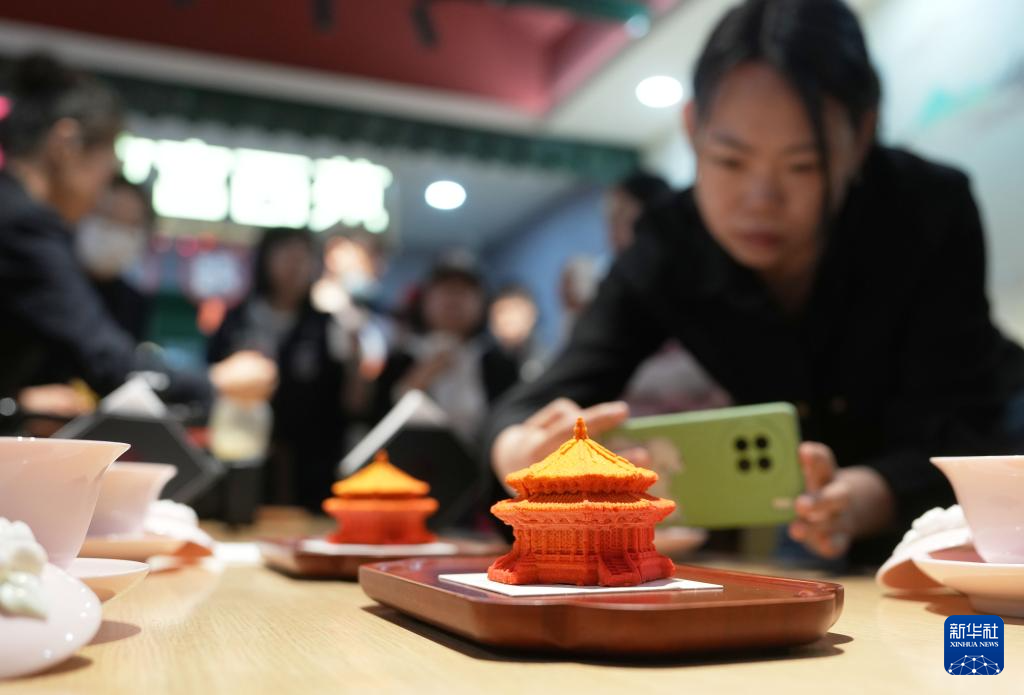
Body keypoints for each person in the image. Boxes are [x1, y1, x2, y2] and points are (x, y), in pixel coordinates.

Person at [486, 0, 1024, 565]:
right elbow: (558, 388)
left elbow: (958, 410)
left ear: (861, 136)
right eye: (730, 161)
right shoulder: (670, 245)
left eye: (803, 166)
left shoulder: (927, 207)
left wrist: (867, 494)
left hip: (983, 450)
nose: (760, 201)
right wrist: (520, 450)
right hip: (817, 492)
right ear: (692, 129)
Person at [0, 53, 275, 423]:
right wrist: (216, 381)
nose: (101, 189)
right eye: (107, 165)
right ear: (66, 144)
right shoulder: (24, 224)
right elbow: (109, 364)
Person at [207, 227, 351, 510]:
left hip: (306, 462)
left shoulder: (326, 325)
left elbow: (341, 402)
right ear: (265, 260)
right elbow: (211, 378)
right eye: (286, 256)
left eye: (303, 258)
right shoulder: (237, 318)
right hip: (240, 449)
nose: (294, 267)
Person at [373, 254, 519, 449]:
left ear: (483, 303)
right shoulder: (399, 358)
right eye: (445, 289)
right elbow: (375, 420)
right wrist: (419, 377)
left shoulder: (500, 363)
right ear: (425, 299)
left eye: (464, 291)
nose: (454, 299)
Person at [76, 174, 155, 341]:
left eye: (129, 225)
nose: (116, 234)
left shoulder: (134, 304)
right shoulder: (50, 279)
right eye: (108, 218)